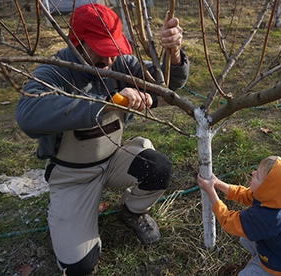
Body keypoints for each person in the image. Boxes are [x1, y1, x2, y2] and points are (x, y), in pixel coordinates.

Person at [15, 3, 189, 275]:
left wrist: (173, 53)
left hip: (113, 158)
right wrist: (107, 103)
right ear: (78, 43)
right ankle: (66, 212)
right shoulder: (53, 72)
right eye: (101, 51)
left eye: (113, 50)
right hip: (73, 176)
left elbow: (166, 84)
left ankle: (132, 210)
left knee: (157, 169)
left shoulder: (120, 63)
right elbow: (27, 115)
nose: (109, 61)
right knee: (79, 265)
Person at [197, 156, 281, 276]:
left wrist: (210, 191)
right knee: (245, 238)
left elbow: (228, 221)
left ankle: (277, 271)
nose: (253, 173)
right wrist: (217, 183)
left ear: (267, 190)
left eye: (257, 176)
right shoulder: (276, 200)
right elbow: (245, 195)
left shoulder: (264, 219)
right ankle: (264, 255)